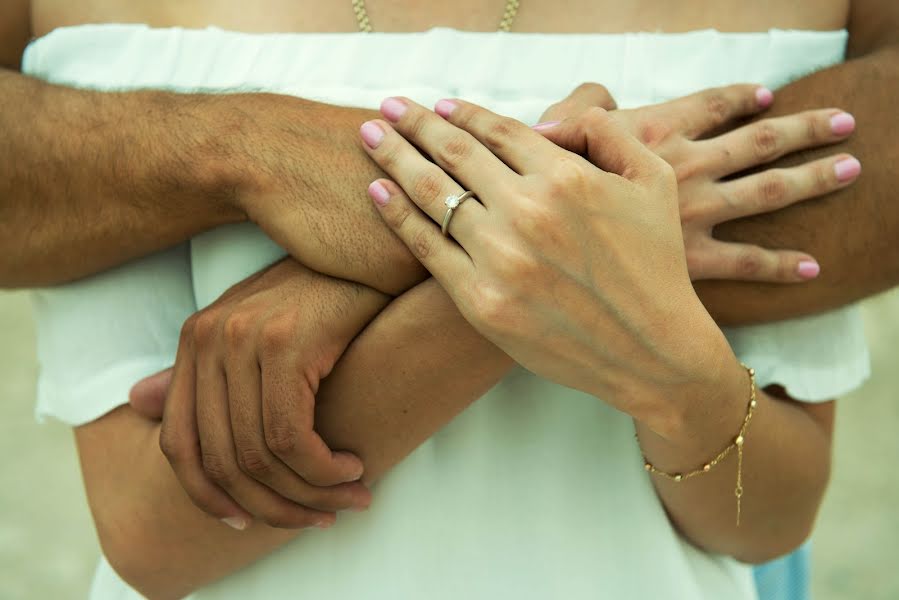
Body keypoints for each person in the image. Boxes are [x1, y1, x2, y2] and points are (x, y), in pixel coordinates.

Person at [1, 1, 895, 598]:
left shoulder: (781, 18)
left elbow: (770, 519)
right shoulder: (111, 29)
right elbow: (153, 533)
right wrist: (570, 233)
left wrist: (401, 269)